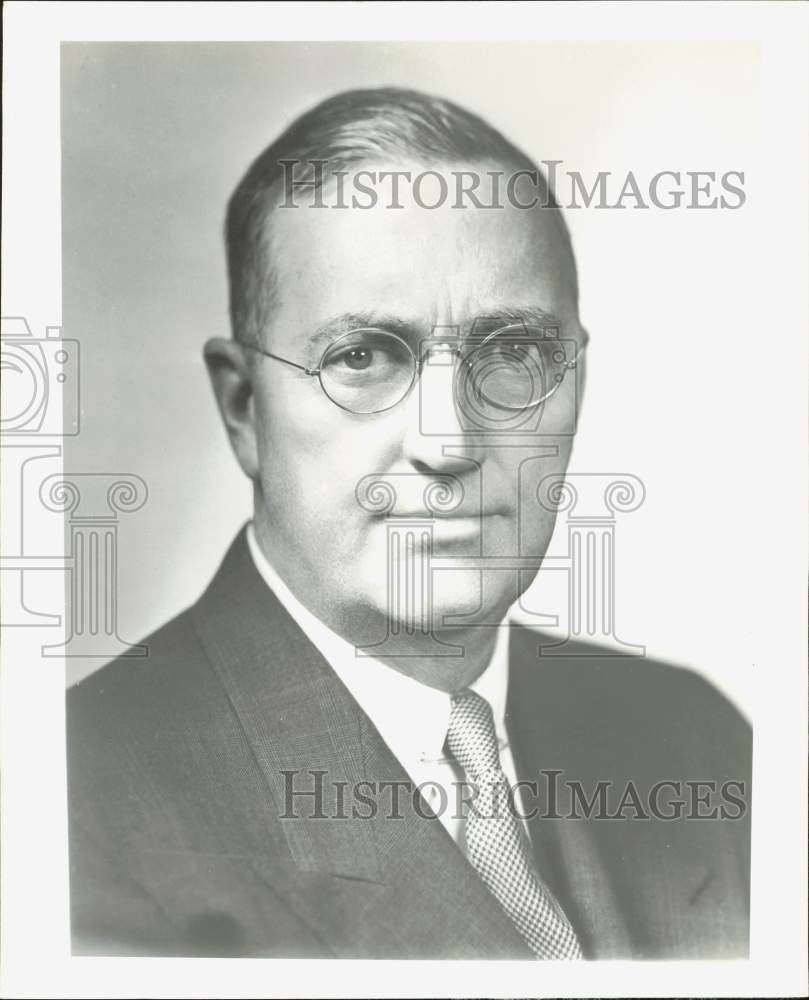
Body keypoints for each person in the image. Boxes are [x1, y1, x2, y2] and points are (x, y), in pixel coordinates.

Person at [67, 88, 751, 960]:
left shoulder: (700, 742)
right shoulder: (75, 814)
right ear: (244, 408)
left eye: (513, 354)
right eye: (361, 357)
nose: (450, 440)